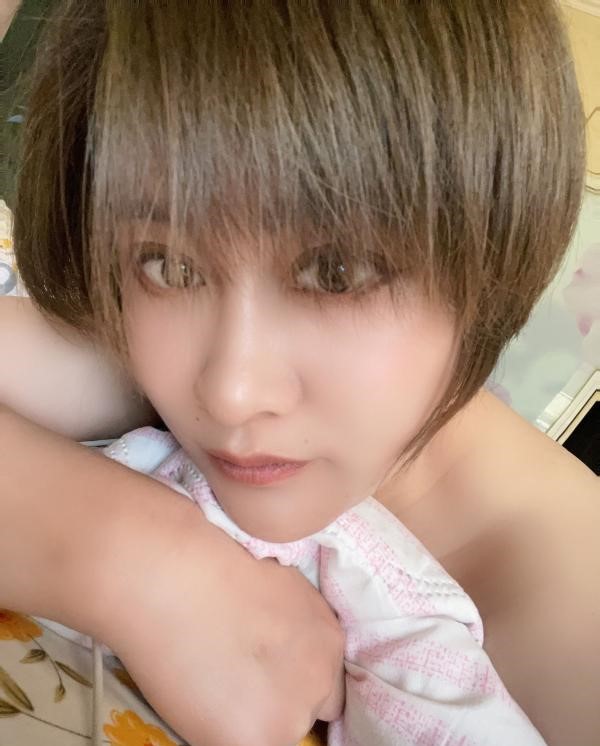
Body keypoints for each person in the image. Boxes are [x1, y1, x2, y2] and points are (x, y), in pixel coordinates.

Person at [1, 1, 599, 744]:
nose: (231, 392)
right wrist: (129, 559)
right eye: (170, 264)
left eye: (336, 273)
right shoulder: (137, 363)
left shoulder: (573, 631)